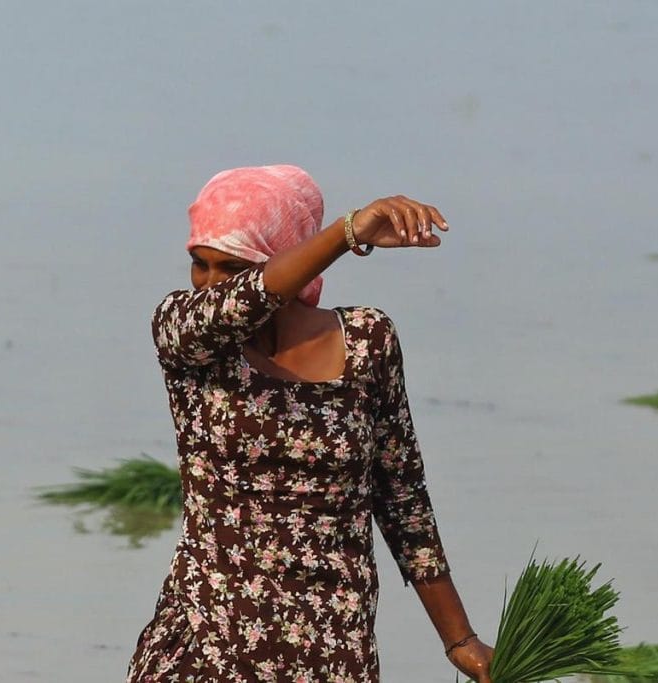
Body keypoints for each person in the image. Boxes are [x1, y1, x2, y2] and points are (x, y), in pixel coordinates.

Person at [126, 165, 494, 682]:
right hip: (206, 642)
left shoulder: (369, 341)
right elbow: (237, 305)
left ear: (286, 261)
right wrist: (348, 233)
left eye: (228, 266)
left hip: (333, 646)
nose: (207, 285)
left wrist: (460, 638)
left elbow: (402, 497)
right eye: (198, 263)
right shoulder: (189, 337)